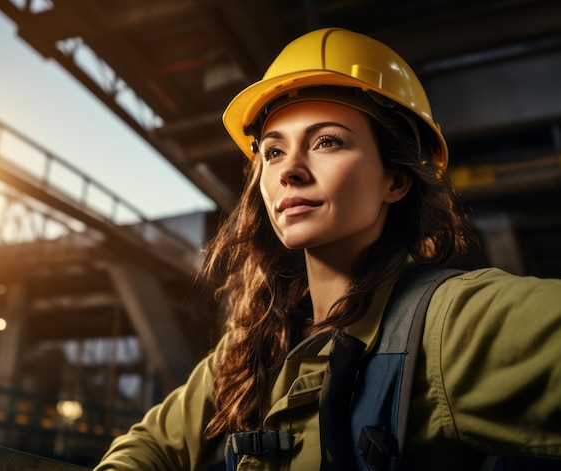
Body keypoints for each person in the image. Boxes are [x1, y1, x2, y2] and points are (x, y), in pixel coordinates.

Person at [93, 28, 561, 471]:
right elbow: (150, 444)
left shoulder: (447, 327)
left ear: (394, 181)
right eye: (273, 152)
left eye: (327, 142)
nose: (289, 170)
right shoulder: (261, 343)